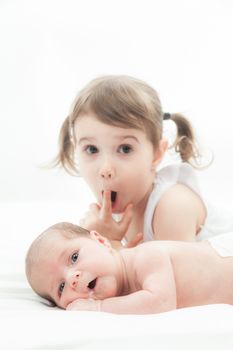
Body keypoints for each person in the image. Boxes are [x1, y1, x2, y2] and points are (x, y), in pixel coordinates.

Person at [53, 75, 232, 247]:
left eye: (125, 149)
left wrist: (111, 245)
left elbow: (174, 277)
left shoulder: (172, 206)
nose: (105, 169)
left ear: (156, 154)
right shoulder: (113, 214)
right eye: (92, 149)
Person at [25, 222, 233, 314]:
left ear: (101, 241)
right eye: (61, 288)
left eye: (74, 257)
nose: (72, 278)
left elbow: (160, 302)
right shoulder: (127, 298)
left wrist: (99, 308)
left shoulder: (145, 257)